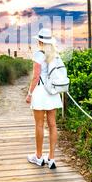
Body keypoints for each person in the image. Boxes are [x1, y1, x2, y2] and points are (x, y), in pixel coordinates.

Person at [26, 28, 63, 169]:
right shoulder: (55, 54)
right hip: (53, 91)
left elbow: (35, 77)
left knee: (39, 124)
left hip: (41, 91)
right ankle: (52, 159)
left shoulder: (38, 54)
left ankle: (39, 157)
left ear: (40, 41)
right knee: (52, 124)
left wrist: (29, 94)